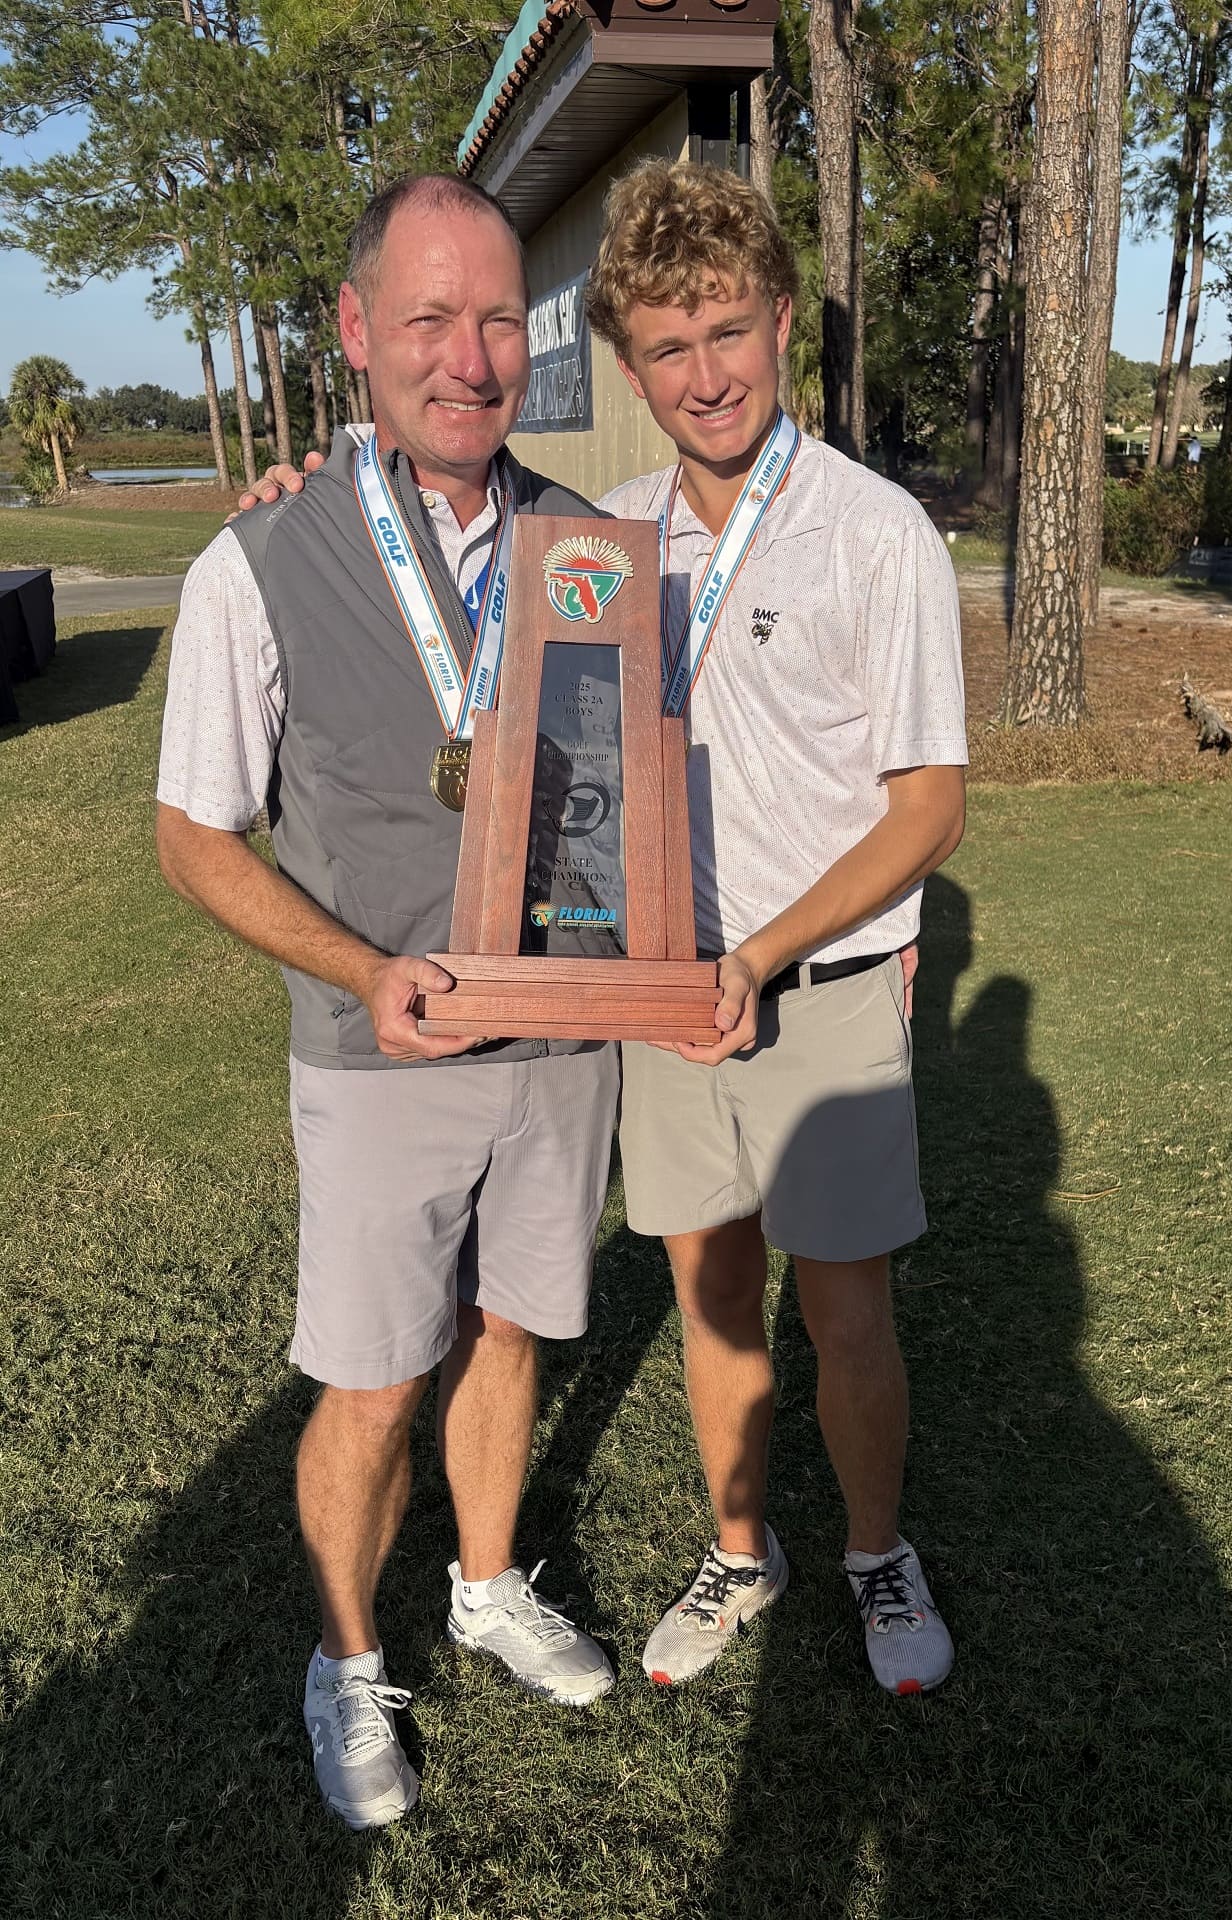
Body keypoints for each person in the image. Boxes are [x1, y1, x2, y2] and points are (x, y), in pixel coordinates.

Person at [245, 159, 968, 1700]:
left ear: (784, 320)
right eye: (667, 347)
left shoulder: (874, 530)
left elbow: (926, 807)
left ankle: (875, 1554)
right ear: (631, 372)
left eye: (729, 332)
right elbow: (417, 549)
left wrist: (762, 955)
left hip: (811, 986)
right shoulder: (600, 532)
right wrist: (302, 497)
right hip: (655, 995)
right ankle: (739, 1551)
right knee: (711, 1299)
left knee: (843, 1311)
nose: (705, 376)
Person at [156, 174, 619, 1834]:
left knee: (511, 1331)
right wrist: (365, 972)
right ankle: (348, 1658)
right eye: (428, 317)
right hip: (381, 1049)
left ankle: (484, 1586)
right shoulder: (261, 557)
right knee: (372, 1380)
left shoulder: (588, 542)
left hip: (562, 1033)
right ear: (356, 331)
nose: (468, 357)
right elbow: (191, 834)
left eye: (496, 319)